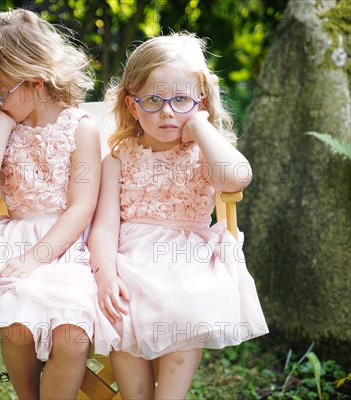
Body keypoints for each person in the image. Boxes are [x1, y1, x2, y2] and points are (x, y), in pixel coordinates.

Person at [89, 32, 268, 399]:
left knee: (186, 305)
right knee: (120, 312)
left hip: (189, 259)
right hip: (130, 259)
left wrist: (201, 125)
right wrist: (105, 275)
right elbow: (104, 227)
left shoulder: (205, 152)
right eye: (153, 100)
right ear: (132, 105)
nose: (168, 111)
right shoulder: (119, 158)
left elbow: (238, 177)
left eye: (181, 100)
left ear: (199, 102)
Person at [0, 9, 101, 399]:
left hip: (70, 244)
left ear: (37, 82)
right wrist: (3, 126)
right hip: (13, 242)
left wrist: (37, 257)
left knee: (72, 337)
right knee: (17, 327)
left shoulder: (81, 129)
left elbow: (82, 206)